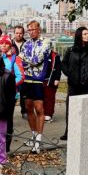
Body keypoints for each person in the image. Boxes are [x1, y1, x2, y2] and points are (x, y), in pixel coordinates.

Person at [61, 26, 88, 141]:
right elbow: (63, 64)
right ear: (79, 35)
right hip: (73, 85)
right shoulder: (70, 50)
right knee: (71, 109)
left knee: (87, 109)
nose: (87, 36)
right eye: (85, 34)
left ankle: (86, 132)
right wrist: (69, 73)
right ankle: (69, 132)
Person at [19, 20, 52, 154]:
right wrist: (26, 62)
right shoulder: (26, 44)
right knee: (28, 107)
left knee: (39, 108)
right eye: (29, 30)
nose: (31, 32)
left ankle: (38, 139)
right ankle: (33, 135)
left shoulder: (46, 42)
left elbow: (37, 60)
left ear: (39, 30)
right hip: (27, 79)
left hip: (38, 79)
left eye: (33, 29)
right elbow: (20, 60)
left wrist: (26, 61)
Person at [0, 34, 24, 151]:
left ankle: (6, 146)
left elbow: (21, 76)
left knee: (8, 119)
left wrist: (9, 86)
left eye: (6, 43)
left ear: (10, 45)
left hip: (10, 94)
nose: (4, 45)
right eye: (2, 43)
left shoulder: (15, 58)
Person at [44, 49, 62, 122]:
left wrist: (57, 78)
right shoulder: (39, 54)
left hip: (50, 80)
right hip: (40, 79)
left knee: (50, 97)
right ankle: (42, 112)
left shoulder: (55, 56)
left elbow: (58, 68)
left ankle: (48, 113)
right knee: (40, 97)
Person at [13, 25, 27, 117]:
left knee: (24, 94)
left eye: (20, 33)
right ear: (14, 33)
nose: (18, 35)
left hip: (25, 73)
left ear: (23, 34)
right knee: (12, 94)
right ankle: (10, 112)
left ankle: (24, 111)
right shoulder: (10, 44)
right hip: (13, 73)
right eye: (17, 33)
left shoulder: (28, 44)